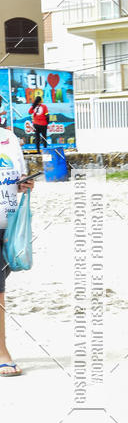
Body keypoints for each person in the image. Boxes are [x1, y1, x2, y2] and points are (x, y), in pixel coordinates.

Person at [0, 125, 34, 376]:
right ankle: (2, 352)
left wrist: (25, 184)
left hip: (8, 226)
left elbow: (18, 179)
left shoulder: (9, 139)